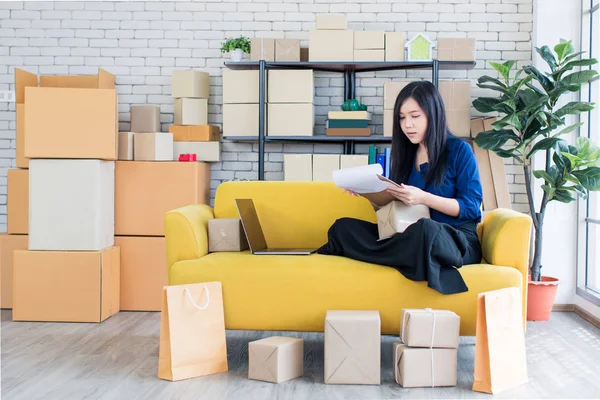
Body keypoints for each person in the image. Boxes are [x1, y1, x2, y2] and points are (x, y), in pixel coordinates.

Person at [317, 81, 483, 295]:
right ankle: (413, 258)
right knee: (342, 228)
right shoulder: (405, 156)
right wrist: (371, 194)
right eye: (402, 118)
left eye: (415, 116)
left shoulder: (460, 151)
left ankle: (403, 256)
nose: (407, 125)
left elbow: (471, 207)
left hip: (453, 240)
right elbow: (395, 212)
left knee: (426, 229)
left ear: (433, 114)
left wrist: (424, 198)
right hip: (408, 236)